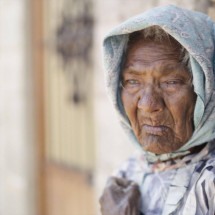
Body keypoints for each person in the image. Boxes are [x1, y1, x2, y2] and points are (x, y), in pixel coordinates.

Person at [99, 5, 215, 215]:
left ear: (207, 88)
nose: (148, 105)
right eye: (133, 81)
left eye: (171, 82)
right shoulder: (128, 174)